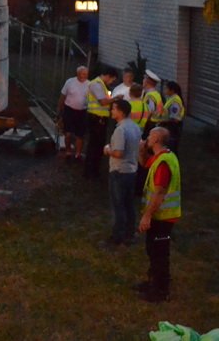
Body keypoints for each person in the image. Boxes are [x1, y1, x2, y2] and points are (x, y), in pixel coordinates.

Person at [137, 126, 181, 302]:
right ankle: (153, 282)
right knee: (152, 249)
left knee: (160, 253)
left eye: (149, 136)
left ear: (156, 140)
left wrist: (147, 215)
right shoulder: (162, 157)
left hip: (163, 216)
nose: (147, 138)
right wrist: (141, 150)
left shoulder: (163, 163)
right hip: (159, 215)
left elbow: (159, 193)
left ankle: (160, 291)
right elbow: (144, 163)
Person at [103, 99, 141, 246]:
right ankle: (130, 233)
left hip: (119, 171)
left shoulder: (120, 130)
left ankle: (117, 237)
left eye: (113, 109)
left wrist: (107, 150)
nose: (111, 111)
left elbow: (118, 153)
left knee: (118, 205)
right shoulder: (135, 127)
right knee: (129, 204)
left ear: (121, 112)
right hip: (132, 170)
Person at [84, 67, 117, 179]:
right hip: (96, 118)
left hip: (101, 118)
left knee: (98, 145)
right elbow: (103, 101)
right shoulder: (96, 84)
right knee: (94, 145)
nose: (112, 82)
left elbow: (108, 98)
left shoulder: (103, 85)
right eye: (112, 79)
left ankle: (94, 169)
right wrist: (116, 98)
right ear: (108, 76)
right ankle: (90, 171)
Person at [57, 65, 90, 162]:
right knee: (68, 133)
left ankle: (78, 154)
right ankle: (68, 151)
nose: (84, 76)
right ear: (78, 74)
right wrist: (59, 109)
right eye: (83, 74)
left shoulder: (90, 84)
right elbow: (62, 96)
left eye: (86, 74)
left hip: (82, 112)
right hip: (69, 110)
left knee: (80, 134)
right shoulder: (70, 82)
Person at [162, 81, 186, 152]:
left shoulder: (175, 101)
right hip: (171, 127)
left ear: (172, 90)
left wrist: (162, 120)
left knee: (172, 149)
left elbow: (175, 119)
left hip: (173, 128)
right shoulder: (171, 98)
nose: (164, 90)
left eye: (166, 89)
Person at [142, 70, 164, 137]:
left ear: (147, 82)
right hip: (155, 122)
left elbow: (149, 111)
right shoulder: (156, 94)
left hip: (150, 124)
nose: (143, 81)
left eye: (144, 79)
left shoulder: (150, 96)